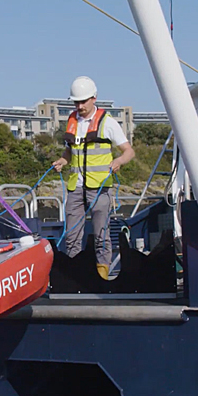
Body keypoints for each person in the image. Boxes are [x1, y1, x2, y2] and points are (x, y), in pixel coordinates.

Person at [52, 76, 135, 280]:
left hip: (99, 188)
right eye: (76, 102)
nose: (79, 106)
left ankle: (102, 275)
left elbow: (129, 152)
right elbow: (69, 152)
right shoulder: (72, 121)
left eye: (83, 101)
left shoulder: (108, 123)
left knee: (101, 234)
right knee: (72, 235)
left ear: (93, 98)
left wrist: (118, 162)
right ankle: (75, 275)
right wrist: (62, 161)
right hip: (75, 188)